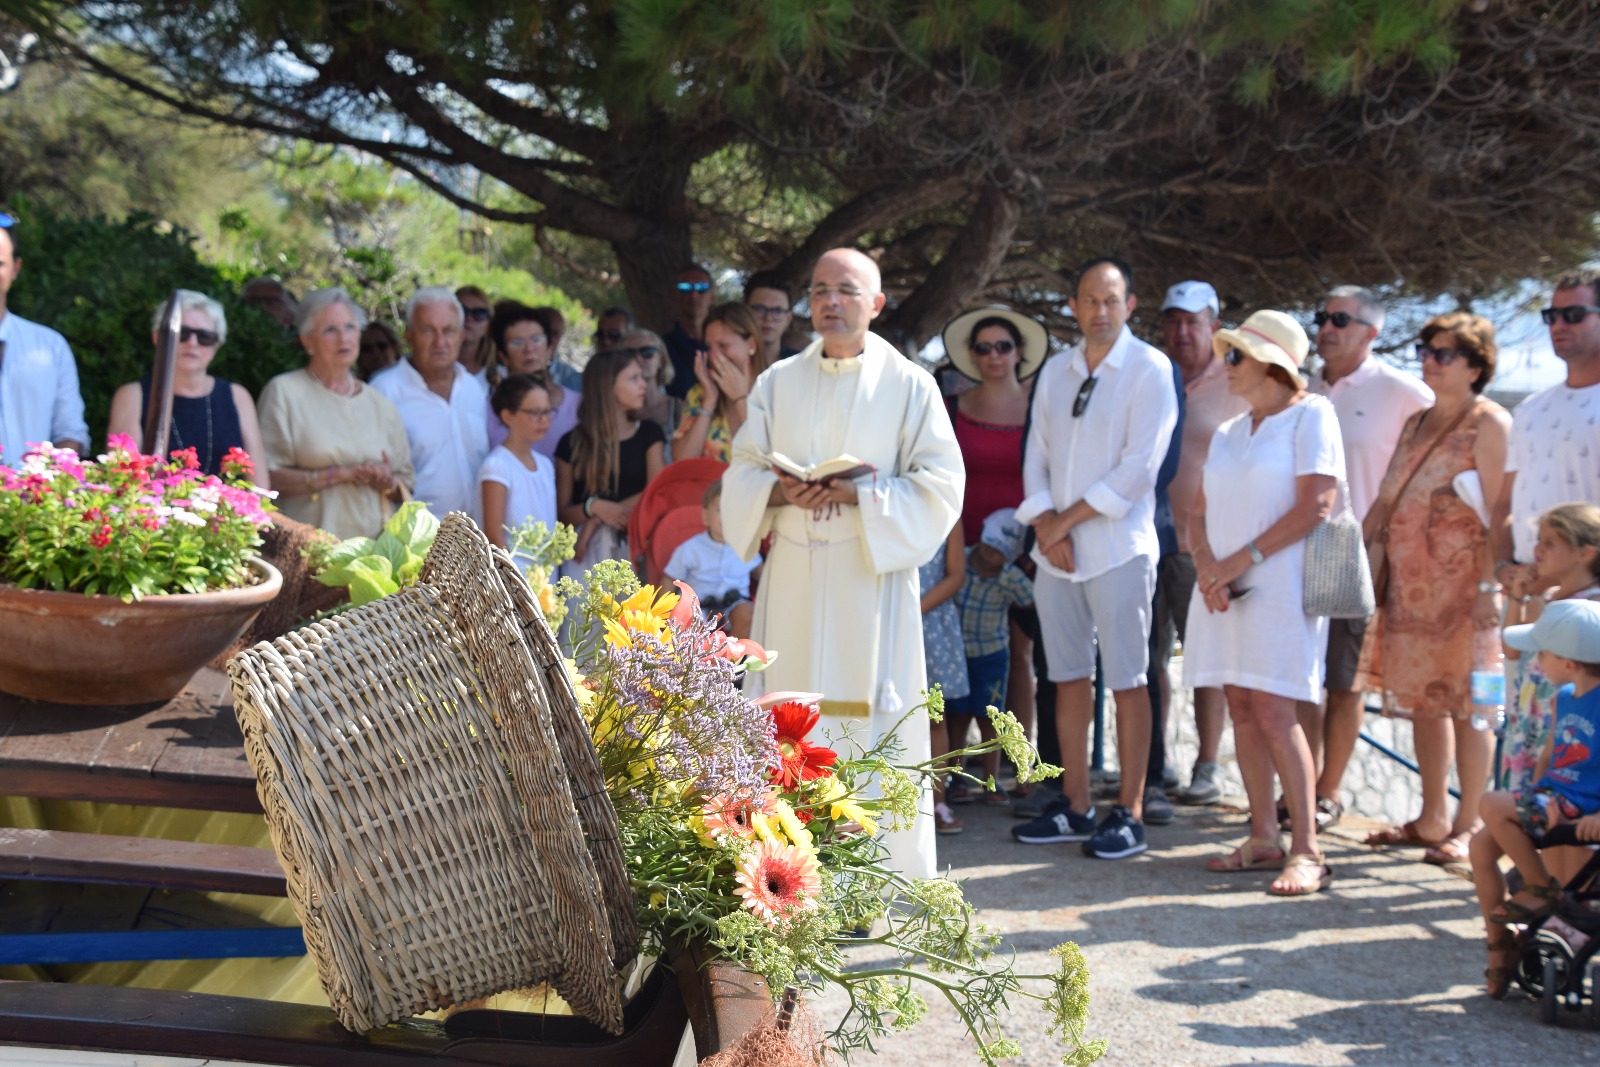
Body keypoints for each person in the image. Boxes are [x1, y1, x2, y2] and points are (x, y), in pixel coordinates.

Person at [722, 247, 964, 880]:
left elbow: (941, 483)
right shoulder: (777, 382)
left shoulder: (912, 385)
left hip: (869, 577)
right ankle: (783, 875)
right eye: (821, 289)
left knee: (868, 727)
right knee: (785, 718)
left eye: (848, 290)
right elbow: (743, 470)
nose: (832, 301)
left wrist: (863, 492)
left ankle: (869, 882)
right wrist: (780, 490)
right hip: (796, 576)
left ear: (876, 304)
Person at [1010, 258, 1177, 861]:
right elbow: (1037, 455)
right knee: (1066, 677)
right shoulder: (1056, 371)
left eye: (1111, 300)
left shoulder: (1151, 369)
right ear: (1075, 307)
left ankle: (1128, 812)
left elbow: (1138, 469)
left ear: (1130, 305)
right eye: (1088, 300)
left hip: (1119, 551)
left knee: (1131, 680)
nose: (1099, 311)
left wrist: (1064, 521)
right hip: (1056, 555)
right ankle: (1075, 806)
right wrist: (1045, 528)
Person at [1183, 310, 1344, 896]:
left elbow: (1316, 507)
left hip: (1280, 591)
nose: (1225, 365)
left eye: (1236, 356)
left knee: (1276, 714)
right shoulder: (1229, 432)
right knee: (1243, 709)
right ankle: (1262, 838)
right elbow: (1196, 511)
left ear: (1273, 365)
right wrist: (1207, 568)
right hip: (1221, 590)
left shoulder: (1313, 415)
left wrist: (1234, 564)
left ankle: (1308, 849)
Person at [1355, 312, 1511, 864]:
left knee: (1471, 707)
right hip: (1411, 591)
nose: (1428, 359)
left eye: (1443, 353)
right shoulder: (1416, 422)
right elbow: (1387, 498)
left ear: (1475, 366)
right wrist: (1357, 550)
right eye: (1426, 349)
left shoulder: (1489, 423)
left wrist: (1493, 586)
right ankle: (1432, 816)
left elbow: (1501, 513)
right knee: (1425, 704)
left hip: (1467, 594)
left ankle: (1470, 825)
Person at [1301, 285, 1433, 831]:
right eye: (1321, 317)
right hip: (1295, 550)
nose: (1326, 328)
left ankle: (1327, 793)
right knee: (1300, 678)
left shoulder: (1403, 392)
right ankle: (1299, 788)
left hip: (1357, 554)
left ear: (1372, 333)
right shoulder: (1303, 389)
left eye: (1340, 320)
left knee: (1344, 680)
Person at [939, 305, 1050, 815]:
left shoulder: (1042, 405)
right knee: (961, 659)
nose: (992, 356)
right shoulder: (951, 405)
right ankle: (961, 771)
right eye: (982, 348)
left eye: (1002, 346)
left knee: (1019, 658)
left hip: (1026, 547)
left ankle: (1020, 767)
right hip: (960, 547)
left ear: (1019, 352)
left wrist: (1034, 544)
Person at [1470, 598, 1600, 999]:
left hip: (1580, 807)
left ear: (1570, 662)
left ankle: (1541, 888)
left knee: (1492, 803)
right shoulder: (1563, 696)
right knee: (1479, 846)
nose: (1536, 659)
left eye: (1542, 652)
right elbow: (1549, 758)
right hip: (1553, 796)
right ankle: (1500, 948)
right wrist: (1536, 794)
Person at [1157, 281, 1249, 806]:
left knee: (1209, 659)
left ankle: (1208, 766)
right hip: (1148, 536)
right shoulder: (1152, 375)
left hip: (1206, 547)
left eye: (1193, 321)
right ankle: (1159, 762)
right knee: (1149, 661)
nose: (1182, 331)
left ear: (1214, 326)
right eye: (1173, 320)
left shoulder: (1236, 381)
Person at [257, 287, 414, 539]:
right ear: (307, 340)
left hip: (378, 556)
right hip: (307, 552)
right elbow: (266, 479)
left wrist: (387, 481)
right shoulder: (284, 392)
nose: (344, 338)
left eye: (350, 327)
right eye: (331, 329)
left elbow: (406, 484)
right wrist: (339, 475)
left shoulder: (380, 403)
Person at [1492, 269, 1600, 619]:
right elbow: (1505, 503)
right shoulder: (1530, 409)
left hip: (1591, 603)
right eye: (1552, 316)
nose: (1559, 325)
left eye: (1574, 315)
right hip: (1526, 596)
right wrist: (1503, 565)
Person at [106, 290, 268, 487]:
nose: (193, 343)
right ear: (158, 338)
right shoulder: (133, 395)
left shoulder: (237, 396)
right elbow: (122, 477)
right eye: (182, 334)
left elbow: (258, 483)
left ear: (217, 345)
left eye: (204, 337)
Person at [1498, 504, 1600, 792]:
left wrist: (1538, 615)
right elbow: (1512, 649)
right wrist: (1517, 598)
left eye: (1550, 543)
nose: (1537, 551)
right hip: (1528, 715)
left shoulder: (1591, 606)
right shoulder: (1547, 597)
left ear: (1585, 553)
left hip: (1561, 719)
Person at [371, 287, 490, 523]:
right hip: (416, 543)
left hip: (474, 540)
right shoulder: (383, 392)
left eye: (448, 330)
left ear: (462, 335)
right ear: (409, 335)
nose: (440, 341)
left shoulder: (473, 388)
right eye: (428, 331)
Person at [949, 508, 1035, 809]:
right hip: (956, 654)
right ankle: (954, 777)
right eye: (989, 542)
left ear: (1011, 555)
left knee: (991, 718)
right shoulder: (961, 560)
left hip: (991, 656)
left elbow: (1032, 599)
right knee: (955, 716)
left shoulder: (1011, 577)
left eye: (1001, 549)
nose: (991, 552)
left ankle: (991, 780)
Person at [555, 347, 666, 567]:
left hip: (637, 551)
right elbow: (561, 514)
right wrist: (593, 507)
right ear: (607, 387)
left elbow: (658, 491)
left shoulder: (650, 434)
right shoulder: (570, 443)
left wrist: (597, 519)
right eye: (634, 379)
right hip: (584, 559)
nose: (643, 384)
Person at [0, 215, 88, 463]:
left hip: (31, 499)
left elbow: (70, 432)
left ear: (16, 268)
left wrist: (47, 479)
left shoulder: (51, 347)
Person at [919, 521, 969, 830]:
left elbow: (956, 575)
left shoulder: (948, 514)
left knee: (934, 715)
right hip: (890, 619)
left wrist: (914, 608)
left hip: (930, 622)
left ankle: (938, 802)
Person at [663, 480, 760, 636]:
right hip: (699, 605)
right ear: (705, 515)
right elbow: (669, 578)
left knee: (748, 613)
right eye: (720, 510)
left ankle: (736, 658)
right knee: (688, 617)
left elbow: (763, 575)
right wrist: (663, 612)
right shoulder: (691, 549)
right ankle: (695, 658)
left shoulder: (746, 548)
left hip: (734, 605)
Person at [674, 303, 767, 463]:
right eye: (709, 348)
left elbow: (769, 460)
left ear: (751, 344)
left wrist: (740, 399)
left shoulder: (776, 390)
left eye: (723, 346)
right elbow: (682, 461)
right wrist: (708, 403)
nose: (714, 356)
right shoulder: (700, 394)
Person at [484, 302, 575, 456]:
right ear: (503, 356)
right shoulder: (486, 410)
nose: (529, 349)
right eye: (517, 342)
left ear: (549, 348)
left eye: (536, 339)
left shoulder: (579, 406)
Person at [479, 374, 557, 552]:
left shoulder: (545, 464)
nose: (544, 419)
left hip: (546, 575)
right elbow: (494, 537)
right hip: (513, 576)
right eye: (535, 413)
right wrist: (513, 579)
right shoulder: (497, 466)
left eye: (547, 411)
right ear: (508, 416)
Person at [662, 263, 713, 399]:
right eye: (685, 288)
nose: (694, 295)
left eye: (701, 288)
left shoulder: (725, 344)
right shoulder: (662, 347)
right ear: (675, 295)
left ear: (712, 296)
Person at [624, 327, 677, 441]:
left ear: (661, 360)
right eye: (629, 353)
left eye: (647, 352)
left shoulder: (679, 408)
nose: (638, 358)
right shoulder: (615, 410)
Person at [745, 271, 800, 363]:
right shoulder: (726, 361)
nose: (768, 318)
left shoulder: (801, 365)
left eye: (777, 311)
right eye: (760, 309)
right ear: (745, 312)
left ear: (788, 319)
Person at [532, 305, 583, 392]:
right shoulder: (508, 369)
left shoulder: (571, 377)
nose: (549, 339)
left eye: (555, 334)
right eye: (545, 332)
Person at [455, 285, 493, 379]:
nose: (469, 318)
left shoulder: (502, 377)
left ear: (489, 325)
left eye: (479, 313)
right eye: (462, 311)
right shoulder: (426, 369)